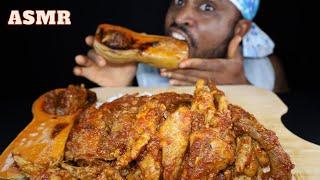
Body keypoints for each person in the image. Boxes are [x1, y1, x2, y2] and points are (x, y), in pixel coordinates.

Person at [73, 0, 287, 92]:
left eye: (207, 7)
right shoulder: (137, 70)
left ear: (240, 29)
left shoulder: (269, 71)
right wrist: (121, 91)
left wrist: (245, 93)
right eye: (179, 2)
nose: (180, 16)